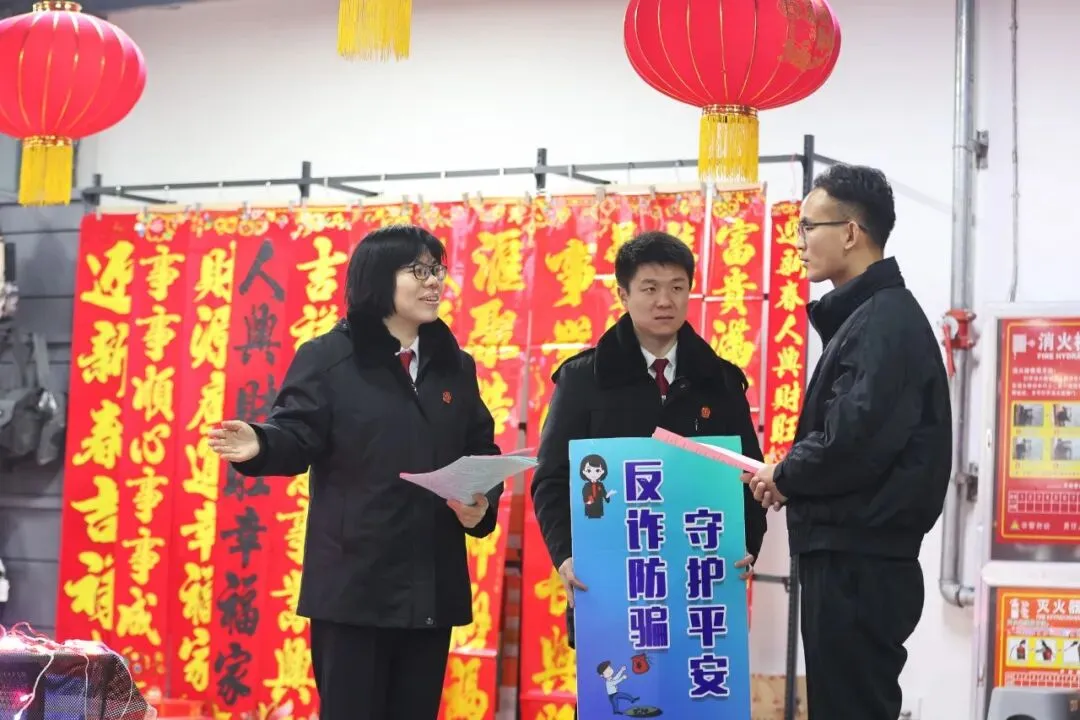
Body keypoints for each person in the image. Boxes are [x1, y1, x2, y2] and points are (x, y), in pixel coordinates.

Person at [206, 225, 503, 720]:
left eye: (437, 270)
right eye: (419, 271)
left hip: (432, 583)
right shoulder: (329, 358)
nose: (434, 282)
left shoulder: (455, 365)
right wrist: (262, 442)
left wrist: (481, 503)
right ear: (378, 278)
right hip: (355, 588)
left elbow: (481, 449)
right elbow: (296, 434)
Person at [745, 164, 952, 720]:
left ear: (851, 233)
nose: (799, 242)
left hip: (859, 561)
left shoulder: (884, 321)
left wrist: (785, 474)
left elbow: (853, 440)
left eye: (808, 227)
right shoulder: (870, 316)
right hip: (852, 553)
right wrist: (789, 475)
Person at [531, 230, 767, 648]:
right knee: (615, 683)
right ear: (623, 294)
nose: (665, 301)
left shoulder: (720, 382)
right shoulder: (583, 379)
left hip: (700, 584)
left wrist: (745, 545)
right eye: (650, 288)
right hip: (609, 580)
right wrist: (566, 555)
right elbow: (551, 479)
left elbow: (750, 476)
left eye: (677, 288)